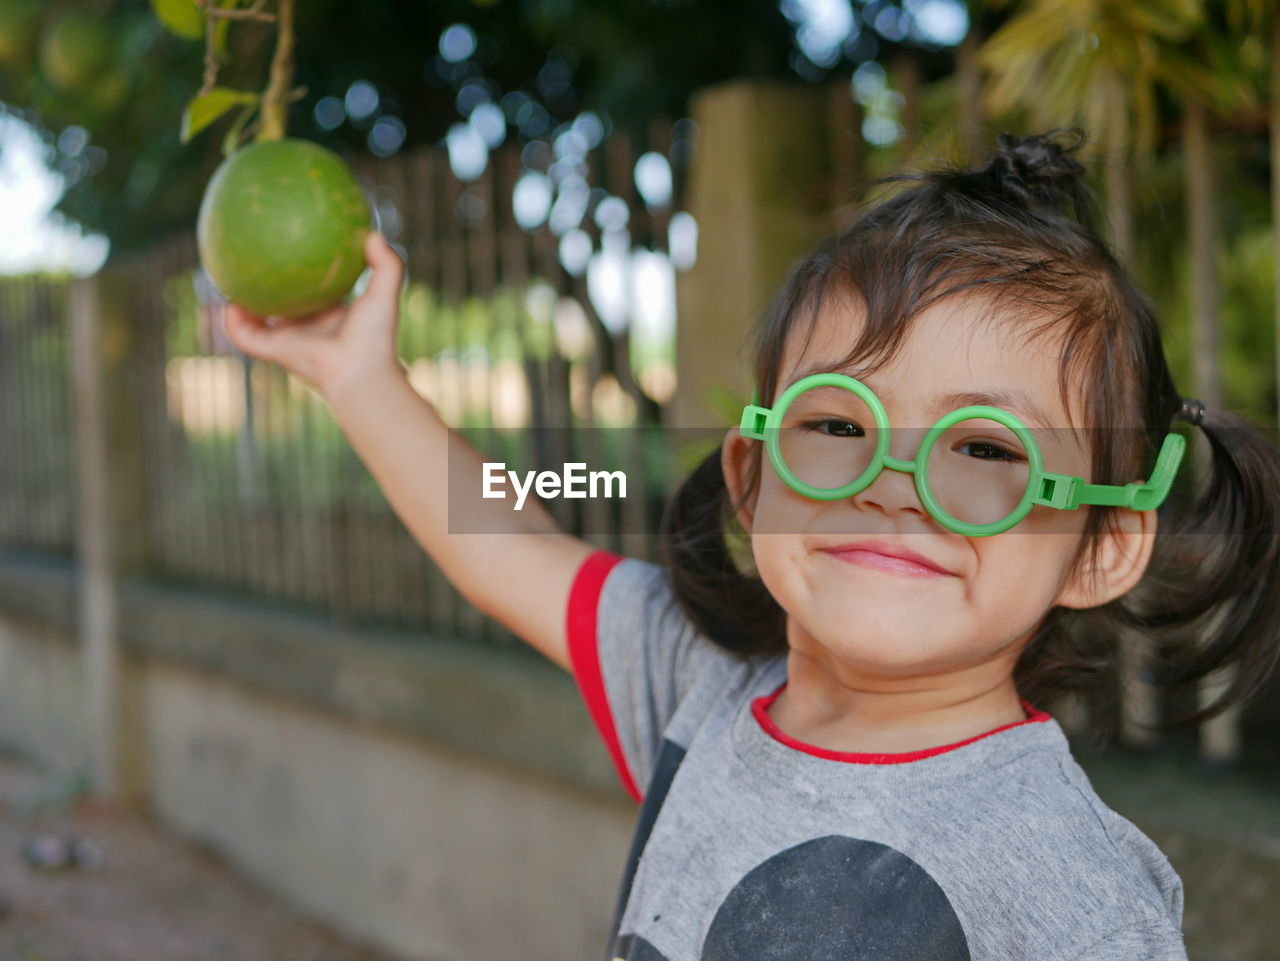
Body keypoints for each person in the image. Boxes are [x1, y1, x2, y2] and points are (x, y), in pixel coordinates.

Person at [222, 128, 1280, 961]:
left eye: (981, 446)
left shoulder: (1073, 895)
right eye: (834, 424)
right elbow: (507, 545)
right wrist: (358, 378)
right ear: (750, 476)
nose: (891, 487)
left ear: (1099, 544)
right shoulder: (703, 690)